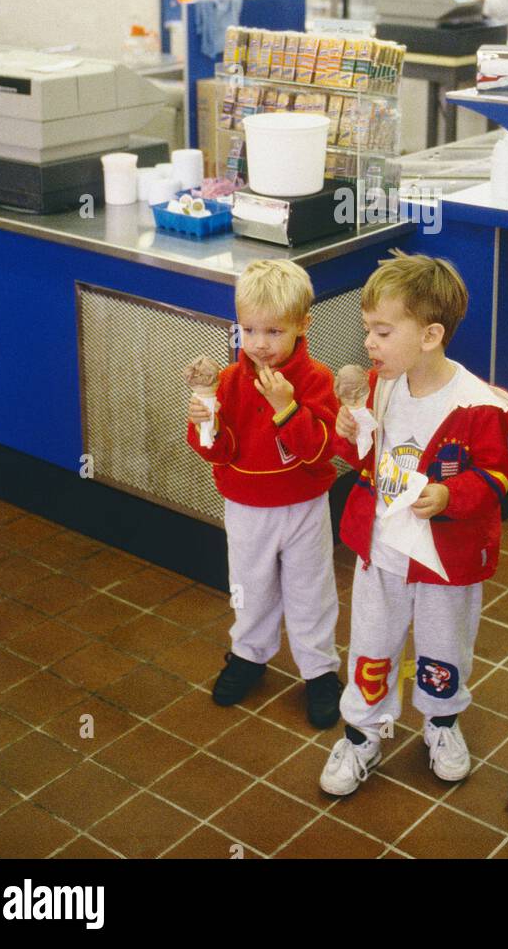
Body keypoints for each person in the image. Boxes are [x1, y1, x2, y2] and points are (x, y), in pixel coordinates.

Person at [318, 250, 508, 796]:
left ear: (430, 335)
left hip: (444, 564)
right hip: (382, 554)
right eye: (368, 329)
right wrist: (349, 427)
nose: (369, 343)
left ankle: (442, 722)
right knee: (371, 643)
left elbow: (499, 475)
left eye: (382, 331)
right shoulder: (380, 385)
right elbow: (364, 458)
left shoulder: (478, 405)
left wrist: (449, 493)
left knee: (445, 646)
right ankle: (363, 731)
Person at [187, 259, 342, 728]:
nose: (259, 343)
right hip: (246, 507)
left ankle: (319, 670)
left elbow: (321, 450)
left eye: (274, 331)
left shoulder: (317, 380)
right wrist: (205, 422)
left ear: (302, 326)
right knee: (248, 587)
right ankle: (249, 654)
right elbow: (217, 453)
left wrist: (287, 408)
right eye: (249, 329)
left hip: (303, 504)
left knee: (310, 589)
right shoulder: (230, 383)